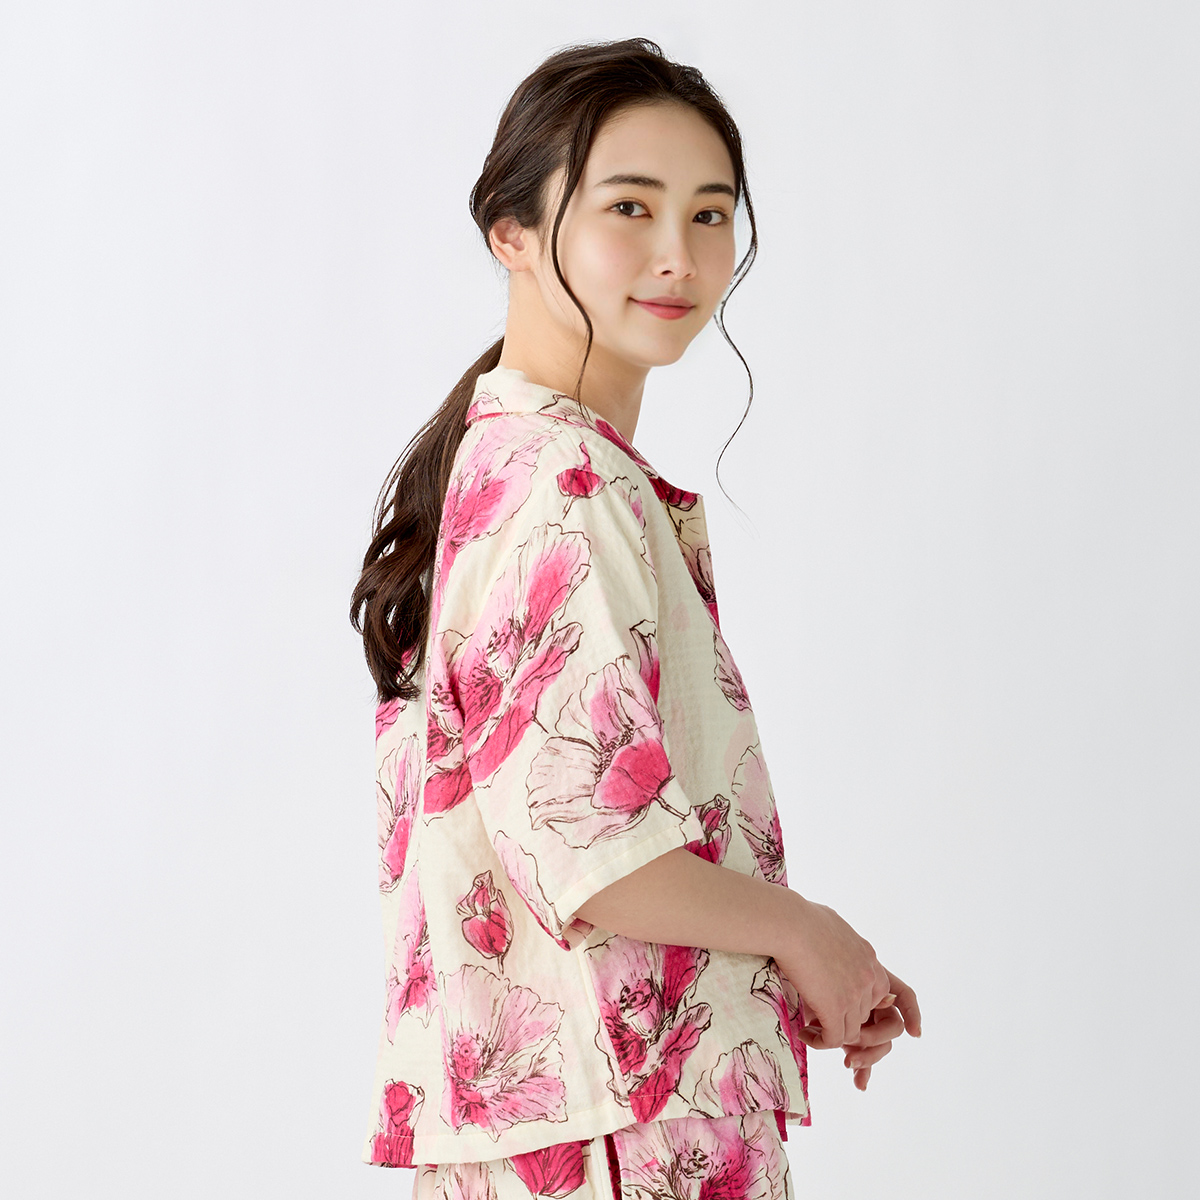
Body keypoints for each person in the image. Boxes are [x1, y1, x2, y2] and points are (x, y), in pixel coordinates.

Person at [350, 36, 920, 1200]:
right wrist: (805, 933)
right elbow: (592, 855)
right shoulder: (565, 486)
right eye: (630, 206)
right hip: (621, 1138)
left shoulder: (510, 465)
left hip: (576, 1125)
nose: (679, 254)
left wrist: (783, 963)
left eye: (710, 214)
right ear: (511, 232)